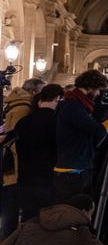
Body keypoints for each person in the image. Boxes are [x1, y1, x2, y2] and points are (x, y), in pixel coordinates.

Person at [54, 70, 108, 203]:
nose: (98, 94)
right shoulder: (73, 107)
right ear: (90, 87)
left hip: (77, 167)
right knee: (73, 213)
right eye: (98, 90)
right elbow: (99, 131)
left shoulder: (78, 104)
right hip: (73, 171)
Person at [0, 78, 45, 239]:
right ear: (33, 92)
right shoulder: (23, 108)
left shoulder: (14, 103)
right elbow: (15, 140)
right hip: (14, 169)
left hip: (9, 168)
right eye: (41, 91)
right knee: (9, 213)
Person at [14, 84, 64, 222]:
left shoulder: (23, 121)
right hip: (48, 179)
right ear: (58, 98)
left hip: (25, 177)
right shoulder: (58, 122)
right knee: (48, 220)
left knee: (28, 219)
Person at [2, 194, 102, 244]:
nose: (90, 218)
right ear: (83, 211)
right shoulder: (82, 232)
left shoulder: (33, 221)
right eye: (91, 213)